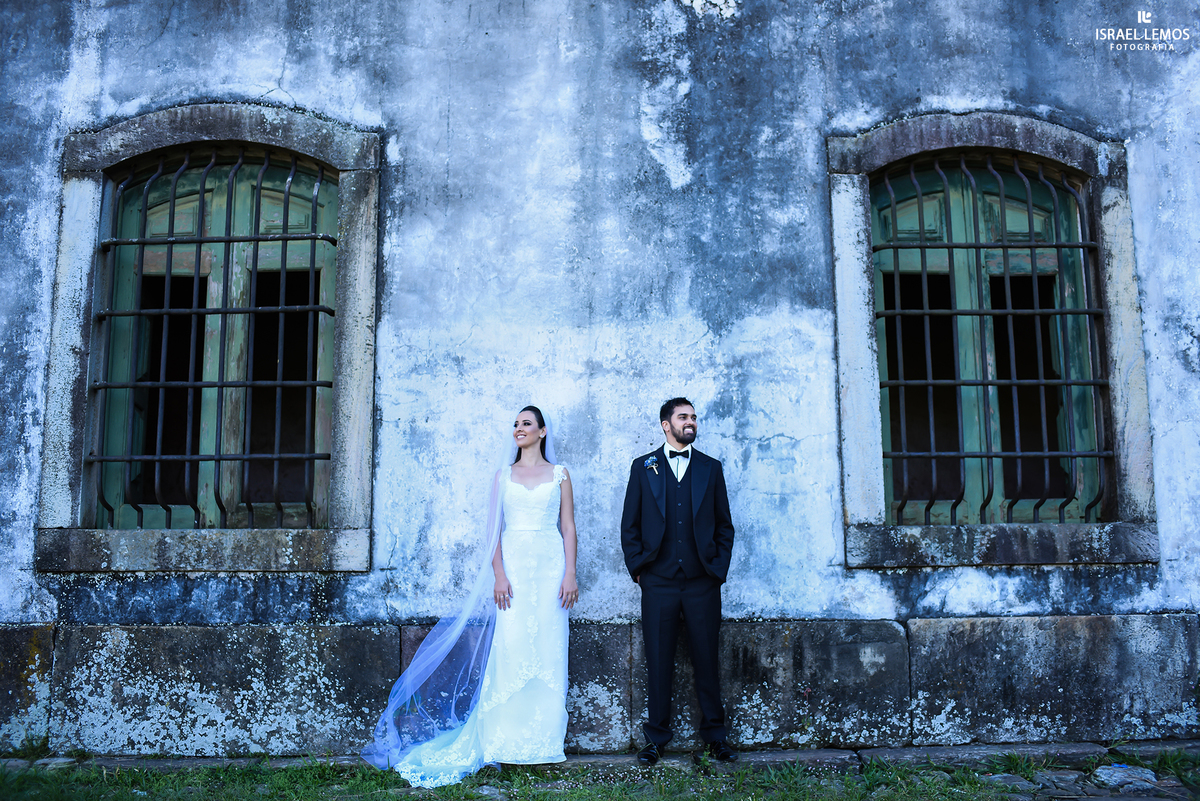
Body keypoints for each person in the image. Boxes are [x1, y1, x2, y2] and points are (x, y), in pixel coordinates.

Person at [362, 405, 579, 787]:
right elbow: (493, 531)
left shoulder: (561, 475)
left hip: (549, 569)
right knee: (511, 646)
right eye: (515, 424)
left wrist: (570, 574)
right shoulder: (503, 477)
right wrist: (498, 573)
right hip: (512, 569)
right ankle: (504, 740)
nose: (519, 429)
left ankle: (544, 742)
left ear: (543, 431)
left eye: (526, 424)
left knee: (548, 645)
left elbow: (568, 526)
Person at [621, 397, 737, 765]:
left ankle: (716, 737)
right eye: (683, 417)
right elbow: (630, 526)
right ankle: (656, 739)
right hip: (658, 581)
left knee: (707, 659)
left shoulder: (710, 468)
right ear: (665, 424)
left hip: (703, 581)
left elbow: (724, 526)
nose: (691, 422)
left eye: (693, 417)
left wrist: (717, 570)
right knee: (658, 660)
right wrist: (640, 569)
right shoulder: (644, 468)